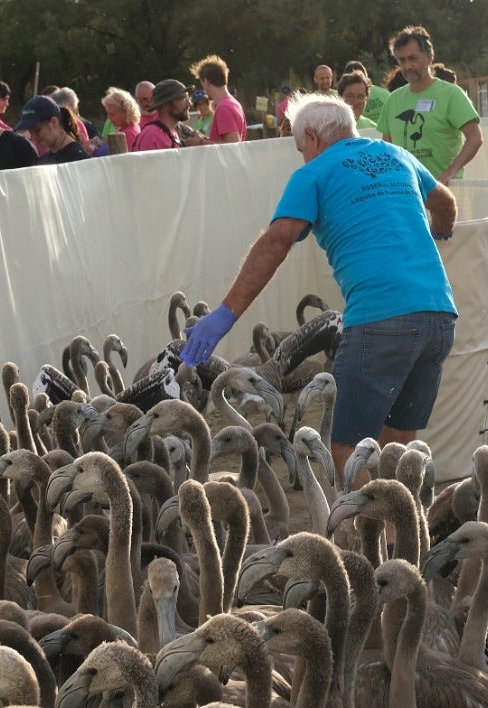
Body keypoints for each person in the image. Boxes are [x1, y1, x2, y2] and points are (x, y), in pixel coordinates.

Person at [180, 93, 457, 479]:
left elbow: (277, 241)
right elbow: (445, 202)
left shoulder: (313, 173)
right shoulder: (396, 156)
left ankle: (380, 539)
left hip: (380, 319)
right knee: (399, 444)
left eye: (300, 149)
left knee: (348, 447)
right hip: (438, 315)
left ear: (311, 136)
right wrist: (438, 232)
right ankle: (405, 534)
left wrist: (225, 314)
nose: (302, 157)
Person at [378, 25, 481, 185]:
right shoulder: (393, 100)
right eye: (402, 60)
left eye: (413, 58)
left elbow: (475, 137)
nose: (407, 66)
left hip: (446, 191)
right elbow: (387, 148)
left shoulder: (451, 94)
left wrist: (451, 172)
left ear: (429, 57)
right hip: (408, 192)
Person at [14, 95, 89, 164]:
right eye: (30, 132)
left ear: (54, 122)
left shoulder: (78, 159)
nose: (33, 137)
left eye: (37, 130)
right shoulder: (43, 160)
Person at [190, 55, 246, 144]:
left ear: (206, 81)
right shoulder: (234, 103)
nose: (203, 89)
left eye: (202, 84)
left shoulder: (223, 108)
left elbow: (232, 145)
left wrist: (201, 142)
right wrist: (206, 139)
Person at [133, 80, 192, 152]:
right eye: (182, 98)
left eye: (188, 98)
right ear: (165, 105)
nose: (189, 104)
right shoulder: (153, 135)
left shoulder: (176, 131)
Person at [97, 88, 141, 152]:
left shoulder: (129, 134)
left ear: (126, 112)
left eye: (112, 114)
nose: (108, 118)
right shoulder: (123, 128)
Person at [345, 59, 388, 125]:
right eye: (350, 96)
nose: (355, 101)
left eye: (360, 96)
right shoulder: (386, 94)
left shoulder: (339, 98)